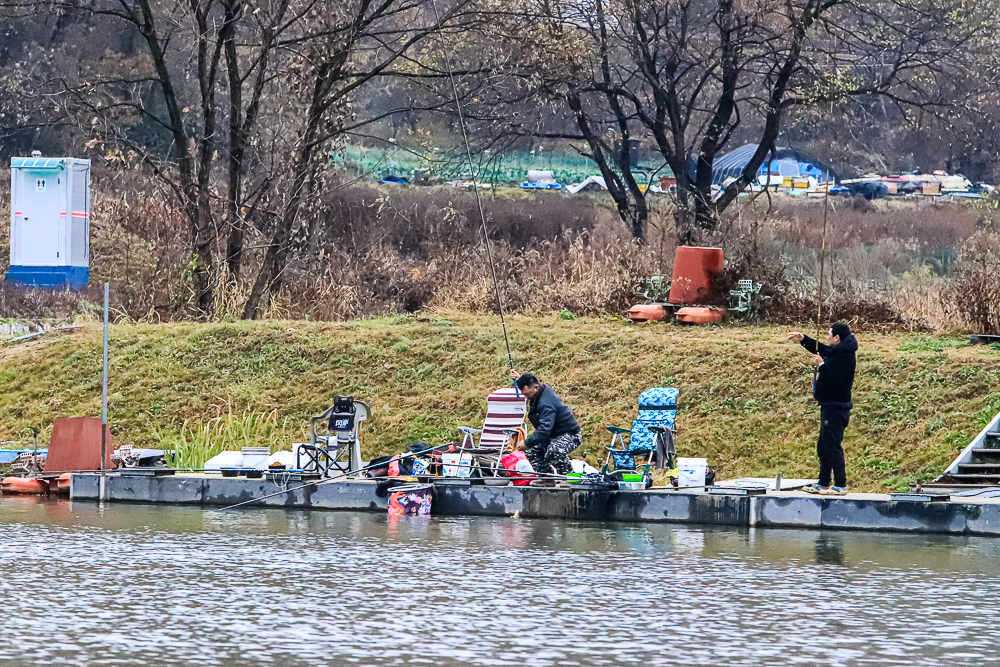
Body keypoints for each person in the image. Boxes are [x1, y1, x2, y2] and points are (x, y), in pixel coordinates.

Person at [787, 322, 858, 495]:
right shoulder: (839, 350)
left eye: (829, 334)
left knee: (832, 446)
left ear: (837, 337)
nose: (827, 337)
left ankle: (840, 484)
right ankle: (823, 482)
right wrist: (804, 339)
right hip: (829, 405)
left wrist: (822, 365)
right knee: (824, 446)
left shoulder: (845, 357)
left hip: (836, 407)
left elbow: (835, 380)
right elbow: (823, 350)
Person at [509, 370, 582, 477]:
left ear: (535, 388)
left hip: (569, 435)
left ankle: (568, 477)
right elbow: (530, 383)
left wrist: (527, 443)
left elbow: (545, 429)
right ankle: (545, 477)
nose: (526, 397)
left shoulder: (546, 403)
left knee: (554, 451)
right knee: (531, 452)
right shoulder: (539, 390)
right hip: (551, 435)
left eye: (527, 394)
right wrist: (519, 379)